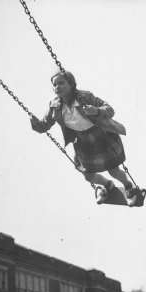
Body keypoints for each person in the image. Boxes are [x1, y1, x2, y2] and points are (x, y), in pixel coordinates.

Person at [30, 71, 137, 205]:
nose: (57, 87)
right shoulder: (55, 106)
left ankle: (128, 186)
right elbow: (44, 126)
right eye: (55, 85)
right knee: (88, 175)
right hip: (82, 142)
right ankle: (107, 185)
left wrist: (96, 111)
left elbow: (110, 110)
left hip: (100, 135)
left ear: (71, 84)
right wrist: (35, 123)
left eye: (61, 83)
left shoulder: (85, 97)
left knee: (113, 170)